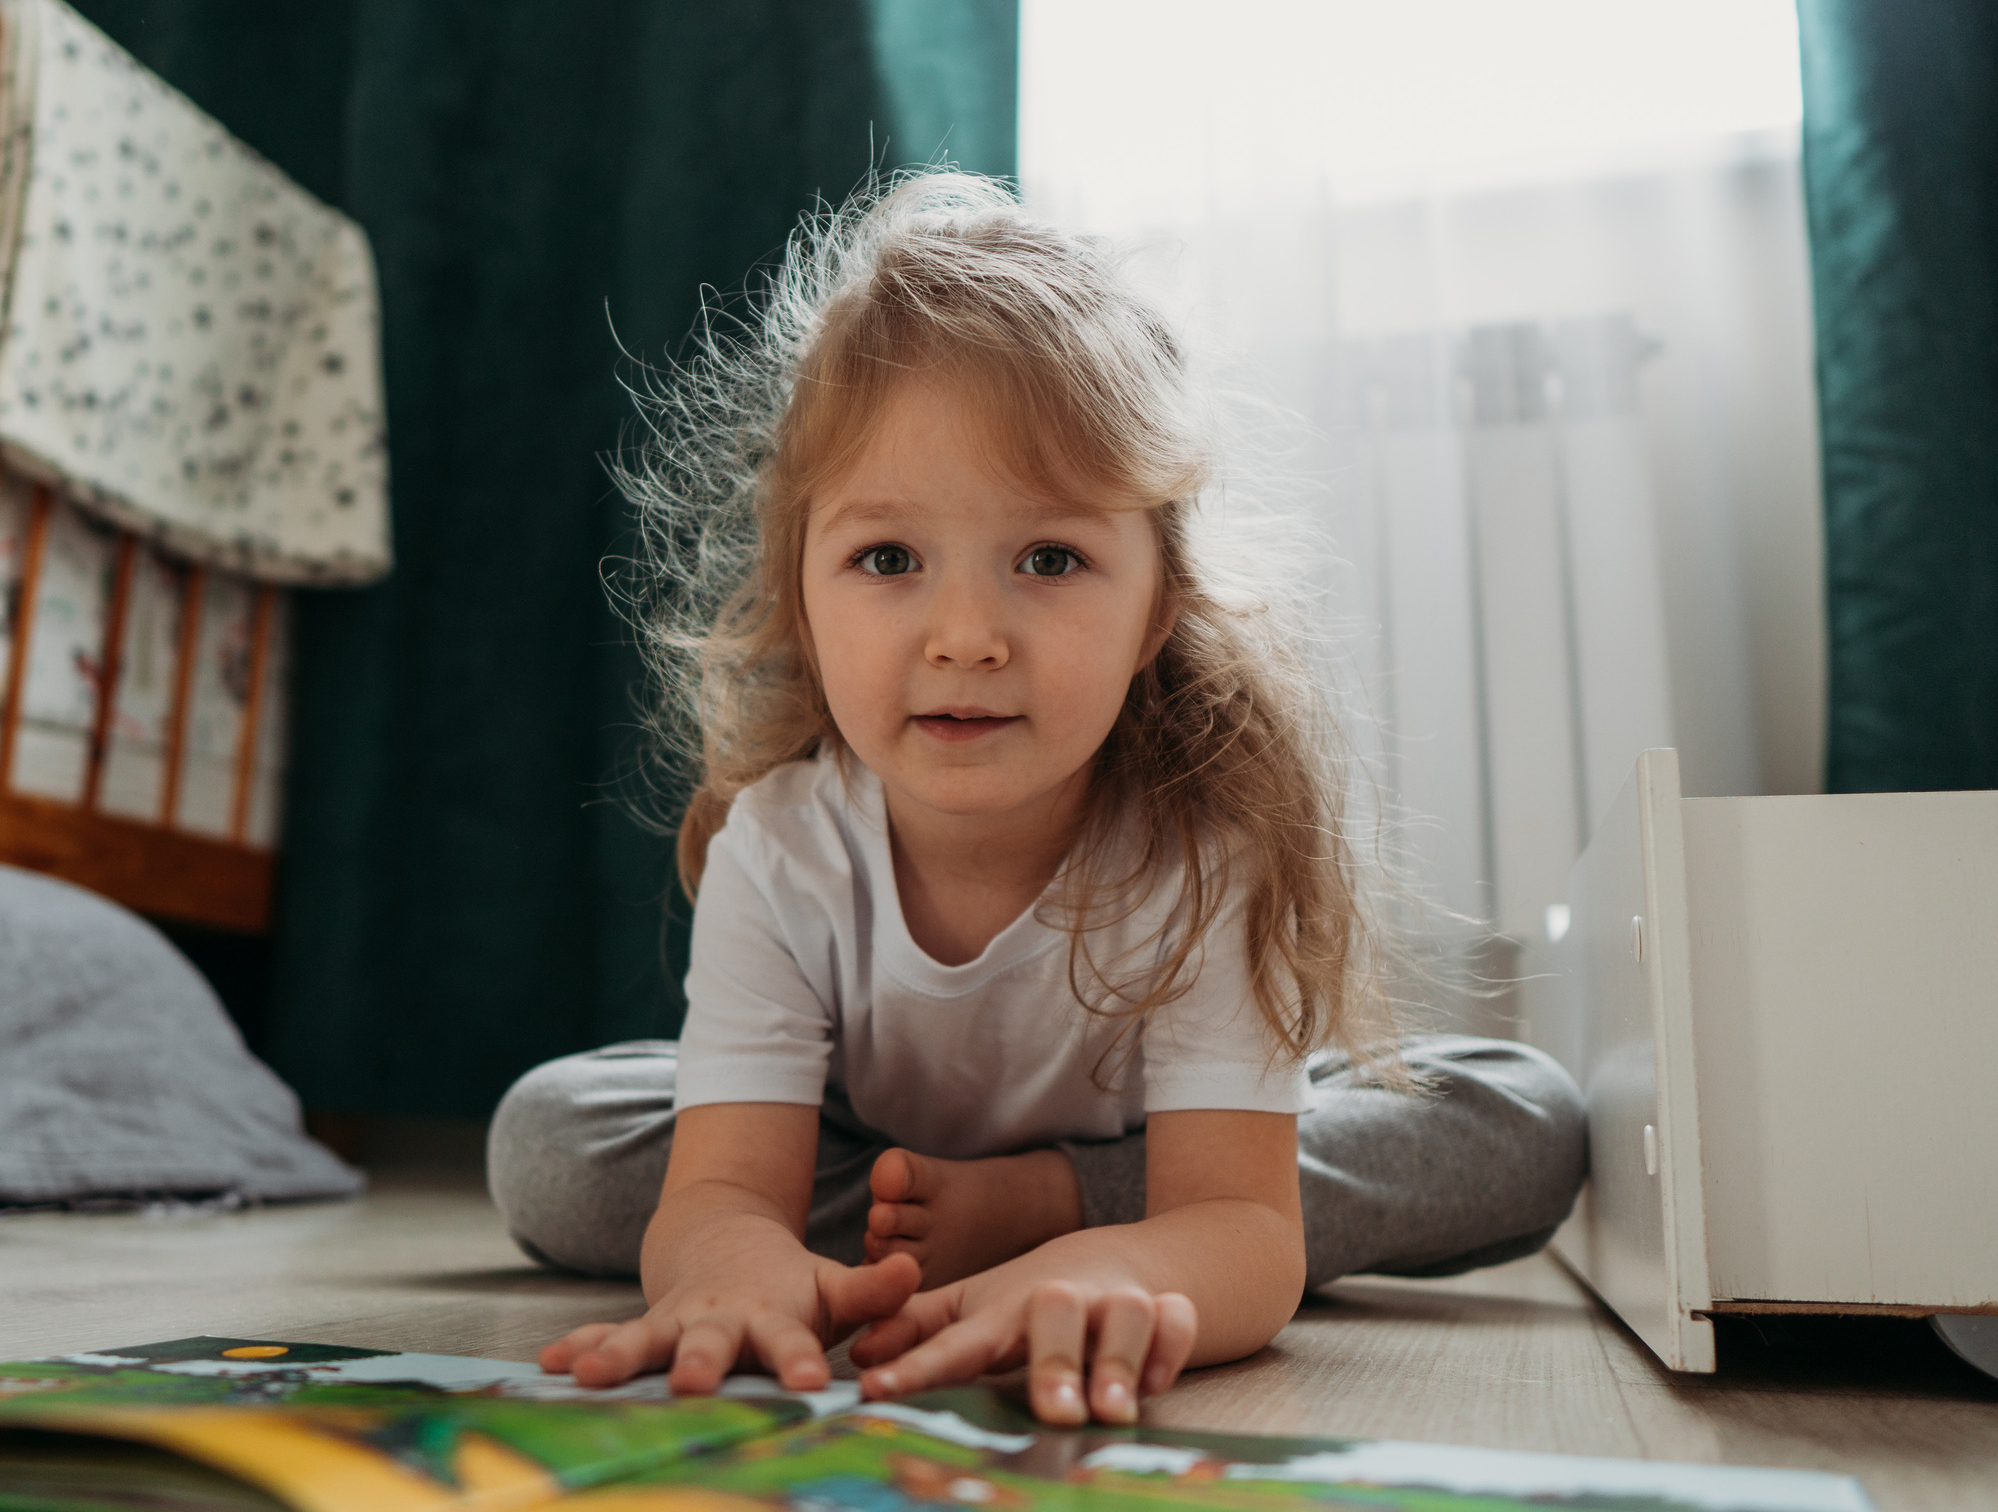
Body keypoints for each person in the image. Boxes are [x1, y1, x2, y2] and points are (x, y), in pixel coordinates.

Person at [487, 173, 1585, 1426]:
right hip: (872, 1156)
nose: (966, 635)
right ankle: (956, 1230)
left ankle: (1052, 1209)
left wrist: (1111, 1255)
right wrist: (731, 1262)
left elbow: (1241, 1225)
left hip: (1162, 1151)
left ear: (1154, 611)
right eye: (887, 558)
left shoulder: (1200, 852)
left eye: (1050, 558)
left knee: (1523, 1117)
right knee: (555, 1142)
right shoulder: (782, 849)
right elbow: (726, 1188)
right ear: (800, 597)